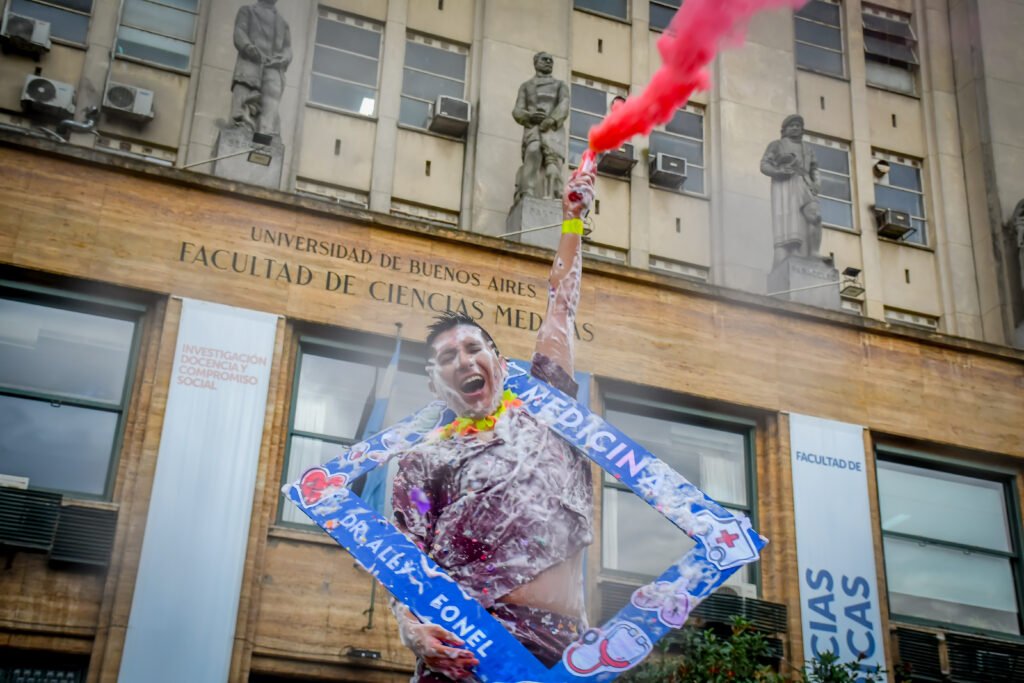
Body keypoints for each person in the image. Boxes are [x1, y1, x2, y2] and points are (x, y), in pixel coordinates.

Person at [389, 169, 597, 681]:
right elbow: (405, 564)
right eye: (447, 357)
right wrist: (411, 631)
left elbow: (561, 306)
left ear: (500, 364)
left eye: (472, 347)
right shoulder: (423, 462)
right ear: (435, 382)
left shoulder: (547, 412)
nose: (463, 360)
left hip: (562, 655)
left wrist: (572, 220)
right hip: (470, 652)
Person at [760, 114, 823, 267]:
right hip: (786, 185)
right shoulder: (776, 145)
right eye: (792, 125)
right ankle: (793, 250)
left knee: (815, 214)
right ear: (785, 129)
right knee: (791, 220)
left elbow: (814, 168)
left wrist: (817, 183)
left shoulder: (808, 149)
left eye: (798, 125)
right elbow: (764, 165)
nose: (795, 128)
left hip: (805, 183)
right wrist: (778, 171)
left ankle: (814, 252)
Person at [512, 52, 571, 201]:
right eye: (544, 59)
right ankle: (527, 191)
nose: (548, 62)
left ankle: (554, 193)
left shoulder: (560, 85)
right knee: (533, 150)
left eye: (551, 60)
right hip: (534, 129)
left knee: (554, 166)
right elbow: (517, 111)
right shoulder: (526, 86)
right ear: (536, 63)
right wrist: (530, 116)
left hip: (553, 131)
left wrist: (551, 120)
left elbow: (564, 106)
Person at [230, 0, 292, 136]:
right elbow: (239, 32)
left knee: (271, 103)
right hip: (250, 62)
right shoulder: (247, 11)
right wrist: (248, 47)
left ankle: (266, 132)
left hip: (272, 66)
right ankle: (241, 126)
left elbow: (287, 48)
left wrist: (283, 58)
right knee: (243, 97)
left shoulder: (282, 23)